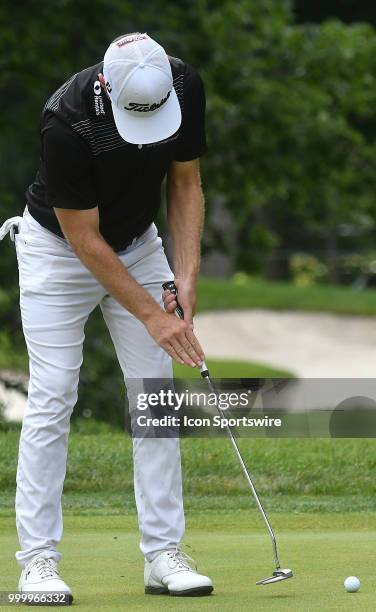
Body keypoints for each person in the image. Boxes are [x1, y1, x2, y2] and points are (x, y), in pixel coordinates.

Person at [0, 32, 213, 602]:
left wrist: (185, 282)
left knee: (155, 397)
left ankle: (163, 554)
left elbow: (186, 182)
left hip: (140, 244)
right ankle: (38, 563)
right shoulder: (66, 120)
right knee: (53, 396)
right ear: (107, 88)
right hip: (58, 250)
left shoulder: (184, 83)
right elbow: (85, 240)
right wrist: (154, 316)